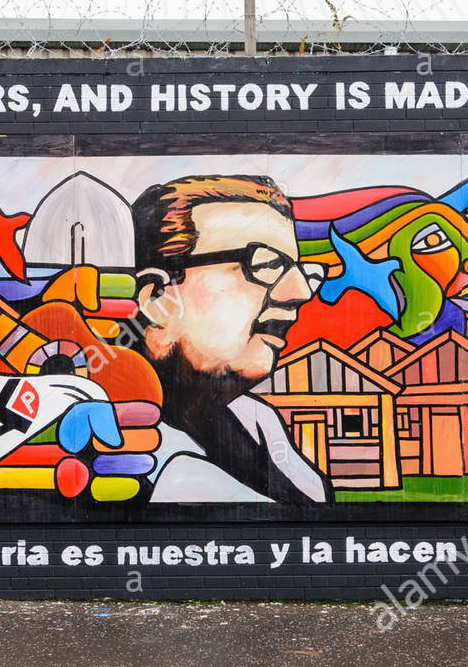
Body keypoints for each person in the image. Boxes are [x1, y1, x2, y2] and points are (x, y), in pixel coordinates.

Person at [128, 174, 331, 503]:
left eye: (301, 271)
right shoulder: (112, 449)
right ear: (158, 298)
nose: (301, 292)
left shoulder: (258, 422)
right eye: (266, 264)